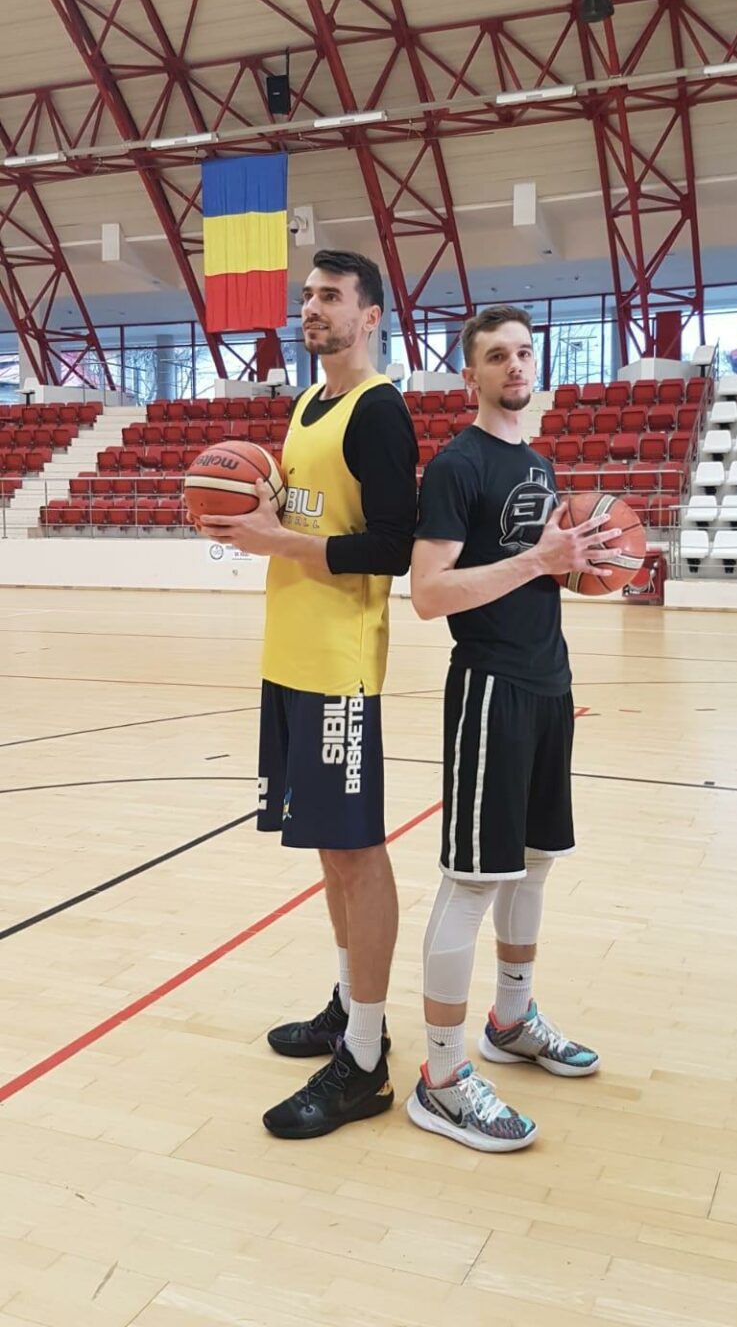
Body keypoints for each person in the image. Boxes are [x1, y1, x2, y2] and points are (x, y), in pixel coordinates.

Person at [197, 250, 417, 1139]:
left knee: (358, 853)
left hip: (339, 664)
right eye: (307, 296)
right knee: (329, 851)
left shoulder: (379, 409)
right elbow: (307, 519)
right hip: (288, 654)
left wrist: (276, 542)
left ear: (370, 316)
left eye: (330, 296)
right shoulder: (306, 405)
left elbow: (394, 547)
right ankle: (347, 1008)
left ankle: (364, 1060)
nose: (311, 308)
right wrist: (247, 515)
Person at [407, 304, 618, 1151]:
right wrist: (539, 558)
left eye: (525, 352)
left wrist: (583, 563)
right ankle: (441, 1079)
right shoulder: (455, 467)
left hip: (548, 683)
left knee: (535, 863)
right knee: (472, 881)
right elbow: (428, 594)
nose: (516, 366)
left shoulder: (535, 461)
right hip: (490, 688)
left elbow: (530, 571)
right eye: (497, 356)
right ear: (471, 375)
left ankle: (512, 1020)